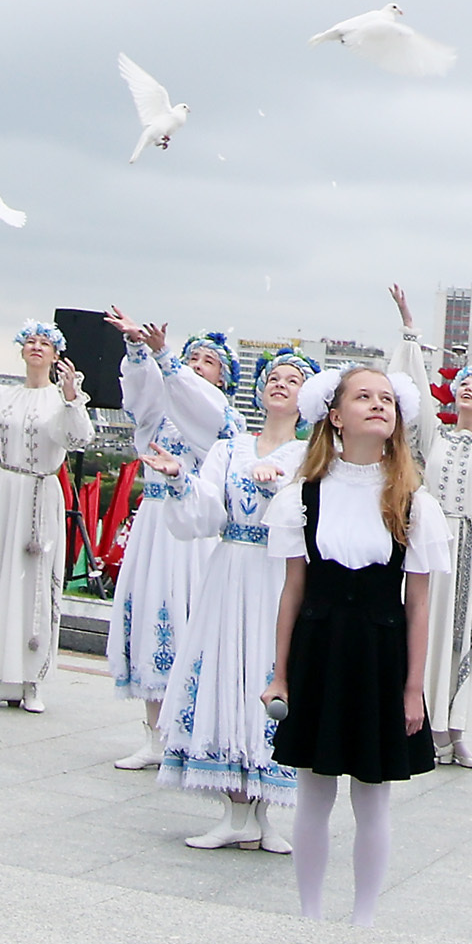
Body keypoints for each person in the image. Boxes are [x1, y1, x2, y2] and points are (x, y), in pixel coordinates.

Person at [265, 361, 443, 925]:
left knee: (373, 793)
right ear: (335, 416)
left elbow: (418, 605)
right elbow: (292, 593)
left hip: (379, 655)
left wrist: (414, 688)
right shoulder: (302, 498)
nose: (377, 405)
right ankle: (310, 913)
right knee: (313, 790)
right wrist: (279, 674)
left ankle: (364, 918)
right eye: (363, 397)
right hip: (318, 650)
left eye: (386, 399)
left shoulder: (415, 504)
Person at [155, 346, 316, 853]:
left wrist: (282, 491)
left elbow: (315, 517)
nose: (281, 384)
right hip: (231, 570)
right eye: (274, 377)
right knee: (227, 672)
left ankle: (265, 811)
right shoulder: (231, 448)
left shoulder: (310, 457)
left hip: (278, 577)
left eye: (294, 380)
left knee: (271, 673)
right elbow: (207, 511)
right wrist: (180, 479)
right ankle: (233, 808)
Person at [0, 321, 96, 711]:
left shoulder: (59, 401)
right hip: (6, 491)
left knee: (37, 584)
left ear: (56, 355)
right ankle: (4, 675)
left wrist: (73, 397)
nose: (36, 347)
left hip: (42, 493)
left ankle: (32, 677)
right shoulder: (4, 395)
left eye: (45, 343)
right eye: (30, 341)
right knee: (2, 577)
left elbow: (78, 438)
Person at [104, 320, 239, 770]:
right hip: (154, 523)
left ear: (223, 378)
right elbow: (140, 397)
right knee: (149, 616)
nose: (198, 367)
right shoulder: (162, 411)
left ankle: (188, 731)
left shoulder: (218, 414)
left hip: (193, 532)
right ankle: (153, 734)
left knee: (188, 622)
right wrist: (137, 348)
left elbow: (202, 410)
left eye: (209, 362)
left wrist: (169, 361)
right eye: (194, 358)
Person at [393, 288, 472, 766]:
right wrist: (409, 328)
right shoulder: (435, 438)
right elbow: (417, 396)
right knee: (427, 626)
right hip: (434, 538)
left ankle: (458, 730)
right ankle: (421, 725)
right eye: (464, 384)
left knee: (466, 630)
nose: (469, 389)